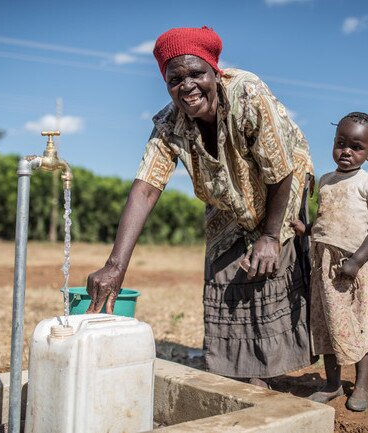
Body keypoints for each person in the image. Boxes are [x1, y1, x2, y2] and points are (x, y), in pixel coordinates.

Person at [86, 26, 315, 386]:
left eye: (196, 74)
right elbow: (146, 187)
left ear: (214, 71)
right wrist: (115, 265)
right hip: (225, 197)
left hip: (278, 190)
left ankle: (267, 373)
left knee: (267, 268)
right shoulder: (169, 123)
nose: (187, 86)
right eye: (175, 79)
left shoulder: (247, 93)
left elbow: (281, 168)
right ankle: (233, 372)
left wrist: (270, 235)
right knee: (226, 274)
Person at [291, 112, 368, 411]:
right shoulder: (326, 181)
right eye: (341, 143)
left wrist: (356, 261)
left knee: (358, 327)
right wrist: (305, 230)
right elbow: (326, 222)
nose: (346, 151)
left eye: (356, 147)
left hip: (353, 268)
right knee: (325, 326)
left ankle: (361, 386)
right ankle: (332, 384)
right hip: (324, 266)